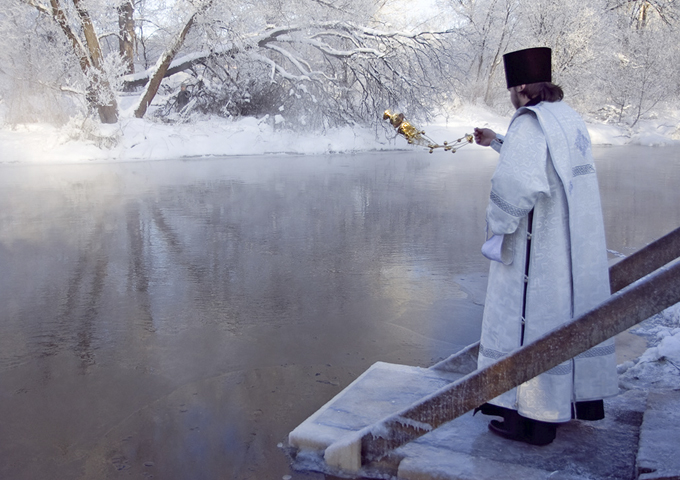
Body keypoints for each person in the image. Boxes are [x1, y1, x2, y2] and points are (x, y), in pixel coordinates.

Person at [472, 47, 618, 446]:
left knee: (528, 327)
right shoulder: (566, 117)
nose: (511, 98)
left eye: (511, 90)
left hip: (535, 257)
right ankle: (553, 409)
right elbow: (543, 163)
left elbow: (517, 183)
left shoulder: (530, 122)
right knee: (558, 323)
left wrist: (496, 228)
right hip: (569, 251)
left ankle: (531, 421)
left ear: (521, 86)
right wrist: (499, 141)